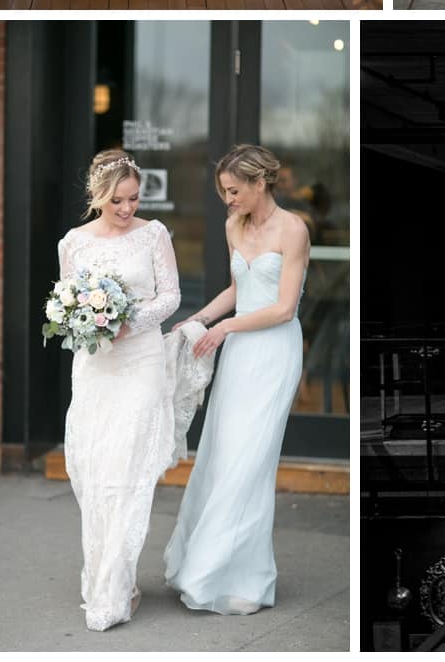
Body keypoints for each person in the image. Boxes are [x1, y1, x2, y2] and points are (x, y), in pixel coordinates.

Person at [164, 144, 310, 614]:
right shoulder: (233, 226)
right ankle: (205, 564)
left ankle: (242, 578)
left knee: (250, 462)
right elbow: (237, 289)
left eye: (233, 191)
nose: (227, 200)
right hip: (241, 352)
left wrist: (226, 327)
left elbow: (284, 307)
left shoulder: (293, 230)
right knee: (223, 455)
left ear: (259, 182)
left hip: (273, 351)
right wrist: (199, 320)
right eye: (223, 192)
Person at [58, 149, 183, 632]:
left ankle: (116, 582)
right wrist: (87, 319)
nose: (128, 209)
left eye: (134, 198)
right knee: (95, 471)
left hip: (141, 362)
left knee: (129, 471)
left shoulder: (154, 235)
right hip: (95, 367)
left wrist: (129, 318)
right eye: (118, 201)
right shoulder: (73, 243)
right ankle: (107, 574)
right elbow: (67, 303)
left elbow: (169, 295)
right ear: (98, 197)